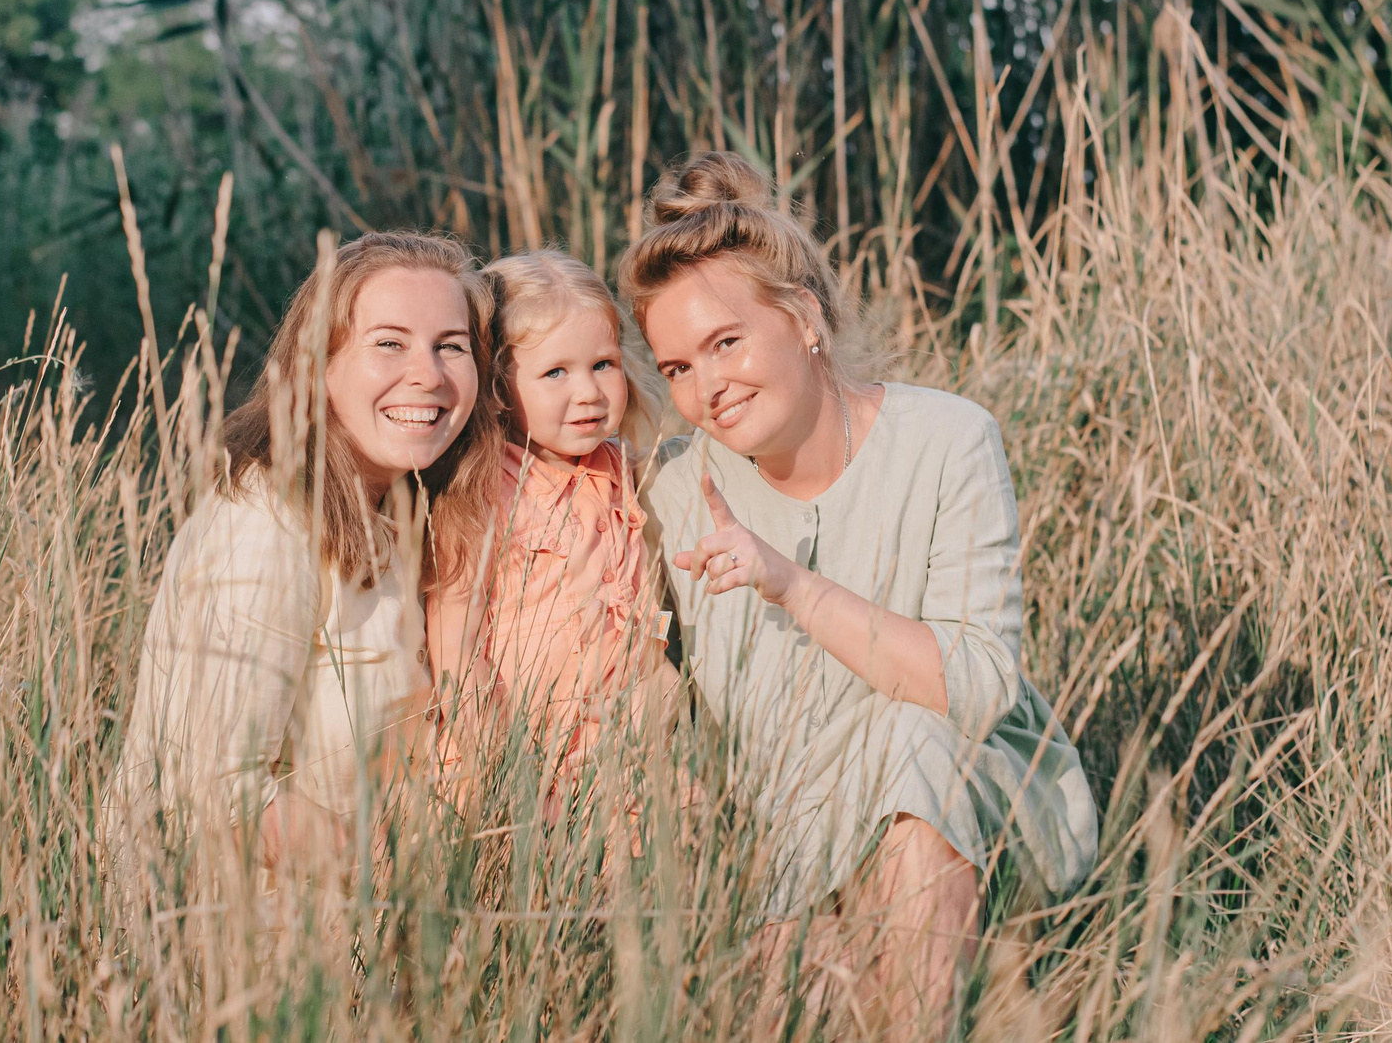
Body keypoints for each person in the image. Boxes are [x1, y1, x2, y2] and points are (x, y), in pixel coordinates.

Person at [625, 153, 1097, 1025]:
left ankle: (996, 962)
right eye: (679, 367)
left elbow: (979, 685)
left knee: (915, 741)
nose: (708, 390)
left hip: (976, 815)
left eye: (726, 342)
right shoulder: (676, 494)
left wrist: (792, 584)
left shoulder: (947, 440)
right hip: (796, 848)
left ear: (803, 315)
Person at [108, 231, 502, 894]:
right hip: (246, 947)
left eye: (451, 347)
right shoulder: (268, 521)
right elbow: (215, 787)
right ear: (319, 362)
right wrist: (405, 880)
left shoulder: (402, 508)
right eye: (389, 343)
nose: (428, 374)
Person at [423, 250, 680, 813]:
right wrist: (500, 769)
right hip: (525, 760)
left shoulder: (622, 470)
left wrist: (662, 681)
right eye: (555, 373)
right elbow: (455, 649)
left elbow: (635, 596)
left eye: (603, 364)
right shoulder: (484, 490)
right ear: (496, 389)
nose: (588, 392)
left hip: (624, 752)